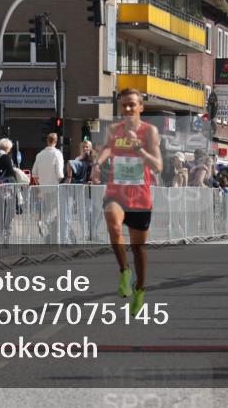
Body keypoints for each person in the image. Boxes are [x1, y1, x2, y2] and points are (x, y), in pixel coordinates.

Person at [91, 89, 162, 315]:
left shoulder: (149, 131)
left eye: (132, 105)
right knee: (112, 221)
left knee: (138, 249)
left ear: (141, 107)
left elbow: (158, 166)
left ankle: (140, 288)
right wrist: (96, 165)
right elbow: (107, 149)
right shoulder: (114, 129)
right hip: (116, 191)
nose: (128, 109)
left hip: (140, 196)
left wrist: (138, 147)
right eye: (124, 106)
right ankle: (124, 271)